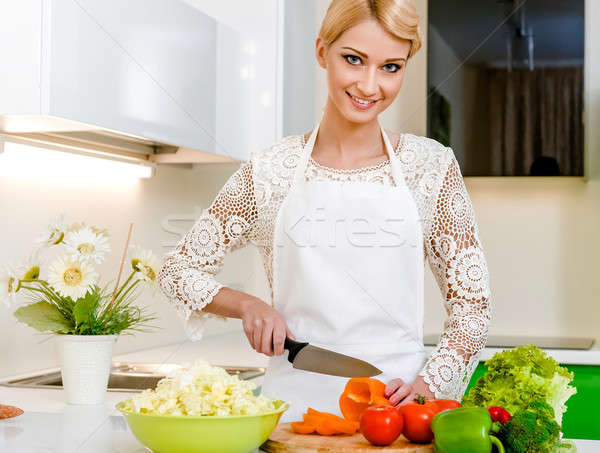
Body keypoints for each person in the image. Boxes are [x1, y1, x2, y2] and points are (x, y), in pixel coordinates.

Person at [158, 0, 491, 423]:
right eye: (354, 60)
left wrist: (427, 388)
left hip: (397, 414)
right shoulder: (269, 171)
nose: (370, 86)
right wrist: (246, 304)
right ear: (321, 52)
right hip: (292, 413)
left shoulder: (431, 168)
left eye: (391, 67)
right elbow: (177, 270)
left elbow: (472, 307)